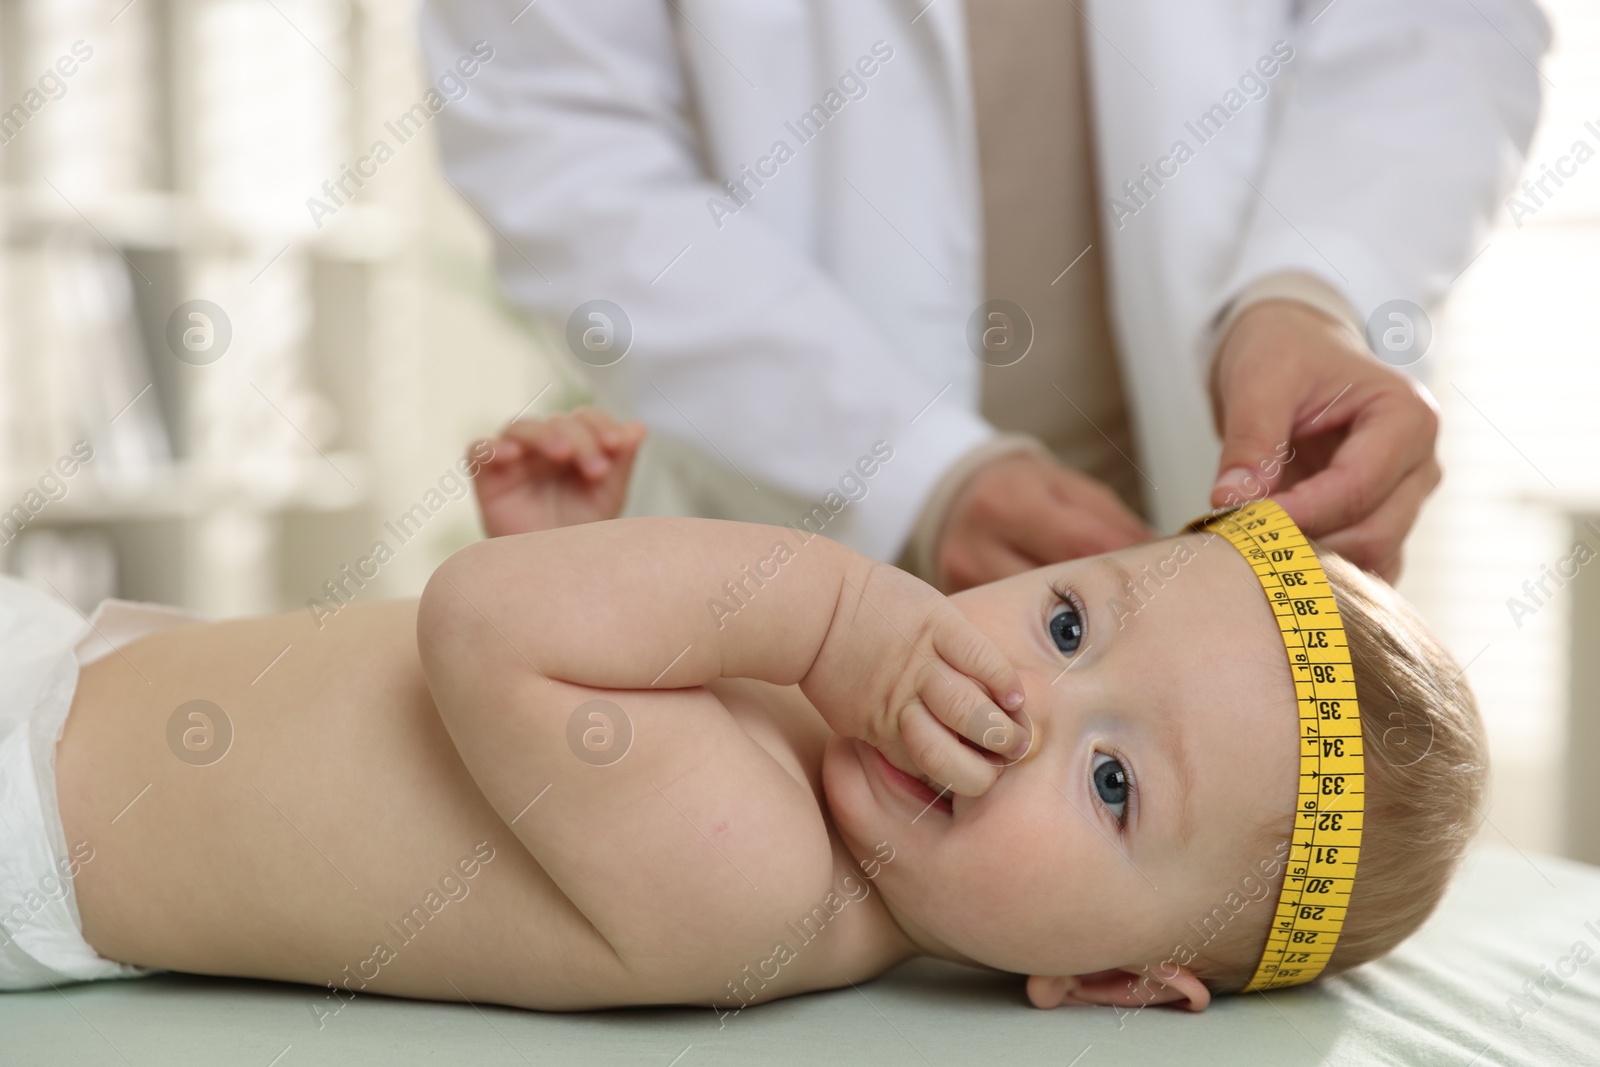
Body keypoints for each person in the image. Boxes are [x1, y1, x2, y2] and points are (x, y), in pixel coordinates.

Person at [1, 409, 1484, 1015]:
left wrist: (838, 610)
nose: (1031, 705)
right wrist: (564, 555)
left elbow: (477, 630)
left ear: (1110, 979)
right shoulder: (815, 757)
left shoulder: (767, 887)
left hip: (38, 809)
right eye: (1070, 619)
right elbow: (539, 758)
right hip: (86, 669)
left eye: (1112, 786)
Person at [420, 0, 1549, 586]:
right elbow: (555, 136)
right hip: (787, 530)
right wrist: (905, 469)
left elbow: (1440, 24)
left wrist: (1312, 291)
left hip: (1222, 508)